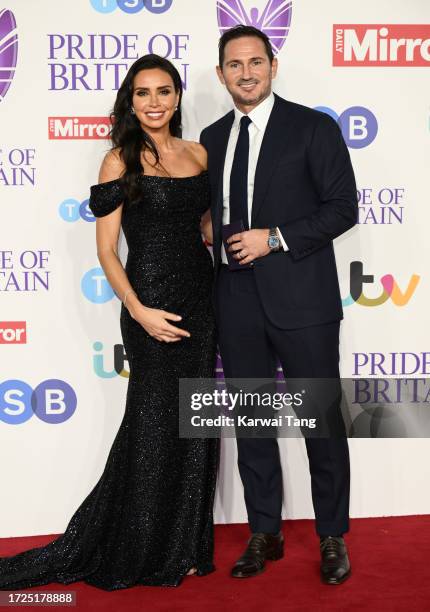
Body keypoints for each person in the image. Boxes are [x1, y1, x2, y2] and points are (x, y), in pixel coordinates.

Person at [0, 54, 219, 590]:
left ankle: (186, 545)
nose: (154, 102)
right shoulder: (118, 160)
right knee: (150, 424)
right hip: (148, 303)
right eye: (142, 93)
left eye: (163, 91)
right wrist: (139, 311)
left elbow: (206, 224)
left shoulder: (198, 153)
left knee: (196, 422)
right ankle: (140, 545)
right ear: (130, 101)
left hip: (200, 299)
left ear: (176, 97)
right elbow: (106, 251)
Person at [200, 25, 357, 585]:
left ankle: (332, 535)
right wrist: (207, 225)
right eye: (234, 65)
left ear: (272, 64)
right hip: (235, 299)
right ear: (221, 74)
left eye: (255, 62)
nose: (246, 73)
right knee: (251, 422)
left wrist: (276, 237)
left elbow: (343, 208)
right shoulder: (212, 136)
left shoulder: (313, 128)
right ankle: (264, 531)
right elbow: (214, 205)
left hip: (303, 301)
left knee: (321, 425)